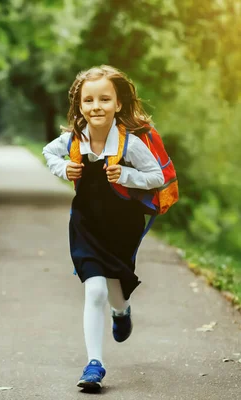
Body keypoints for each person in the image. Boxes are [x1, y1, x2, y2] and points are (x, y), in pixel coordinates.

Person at [42, 65, 165, 390]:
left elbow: (157, 177)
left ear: (118, 104)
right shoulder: (73, 140)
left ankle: (121, 312)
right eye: (89, 100)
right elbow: (48, 153)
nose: (96, 106)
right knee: (94, 289)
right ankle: (94, 364)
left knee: (116, 289)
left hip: (123, 226)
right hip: (85, 224)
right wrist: (63, 168)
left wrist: (126, 175)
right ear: (80, 105)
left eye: (104, 99)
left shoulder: (130, 144)